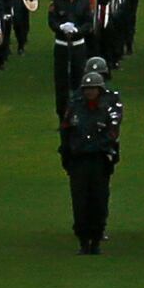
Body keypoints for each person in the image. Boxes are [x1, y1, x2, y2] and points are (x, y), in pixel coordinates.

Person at [58, 60, 125, 256]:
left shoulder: (106, 108)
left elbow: (111, 133)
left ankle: (95, 239)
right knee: (79, 201)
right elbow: (66, 131)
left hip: (99, 160)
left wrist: (94, 147)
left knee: (98, 200)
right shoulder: (75, 106)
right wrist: (68, 153)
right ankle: (82, 239)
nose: (89, 92)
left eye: (93, 89)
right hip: (78, 161)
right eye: (86, 89)